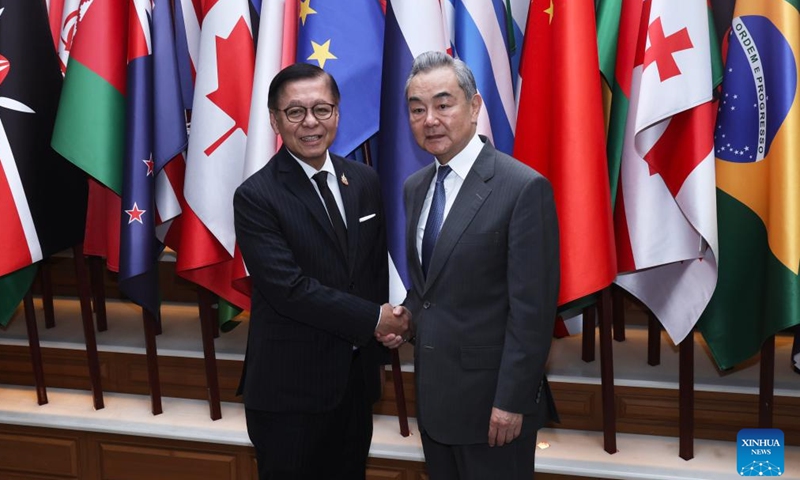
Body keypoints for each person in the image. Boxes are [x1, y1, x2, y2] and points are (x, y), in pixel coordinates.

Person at [381, 51, 560, 479]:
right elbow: (432, 285)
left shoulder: (522, 188)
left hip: (493, 408)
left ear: (475, 106)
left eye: (444, 104)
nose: (430, 119)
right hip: (435, 398)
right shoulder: (415, 187)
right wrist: (405, 317)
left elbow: (533, 312)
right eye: (417, 109)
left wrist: (512, 401)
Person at [233, 63, 410, 480]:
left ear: (338, 113)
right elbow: (289, 290)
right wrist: (373, 318)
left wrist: (391, 322)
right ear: (275, 120)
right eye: (295, 112)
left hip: (354, 386)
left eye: (322, 109)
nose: (310, 122)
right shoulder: (256, 196)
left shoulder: (364, 181)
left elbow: (370, 272)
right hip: (289, 395)